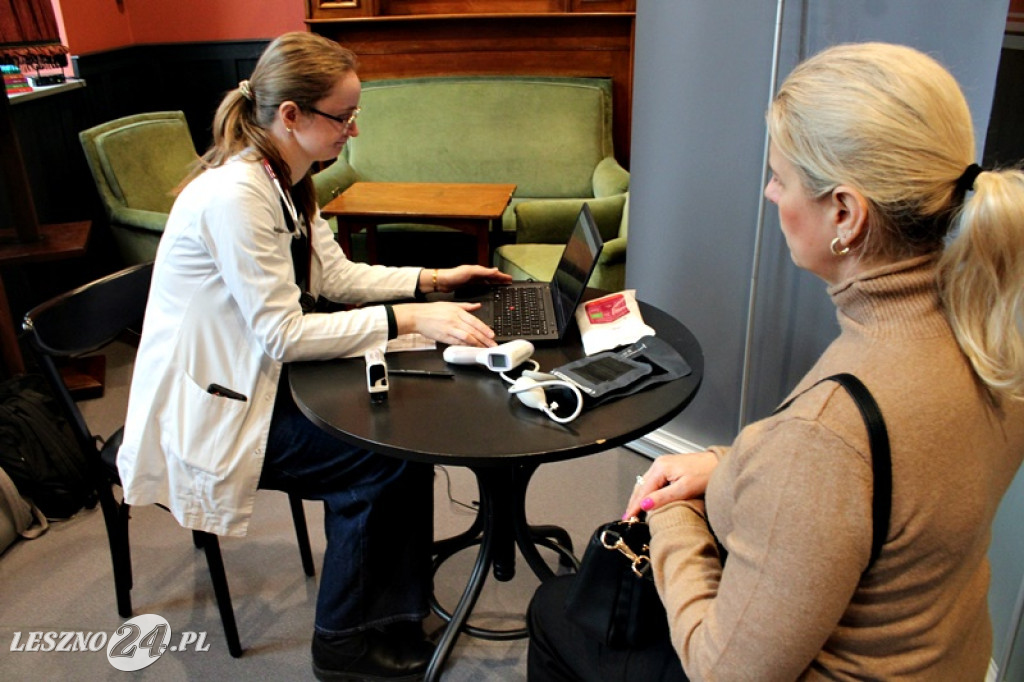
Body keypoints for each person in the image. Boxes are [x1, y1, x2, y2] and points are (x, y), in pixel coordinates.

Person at [528, 42, 1024, 681]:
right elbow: (877, 493)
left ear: (844, 213)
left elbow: (723, 670)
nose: (768, 192)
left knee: (555, 611)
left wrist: (673, 514)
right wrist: (725, 464)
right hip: (945, 656)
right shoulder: (992, 332)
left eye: (780, 177)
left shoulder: (830, 430)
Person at [116, 31, 511, 681]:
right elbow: (281, 334)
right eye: (342, 116)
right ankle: (343, 644)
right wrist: (409, 319)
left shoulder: (286, 177)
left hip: (254, 378)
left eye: (356, 114)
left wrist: (431, 281)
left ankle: (395, 612)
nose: (352, 131)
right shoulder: (237, 195)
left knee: (402, 440)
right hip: (214, 406)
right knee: (375, 459)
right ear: (291, 116)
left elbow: (334, 278)